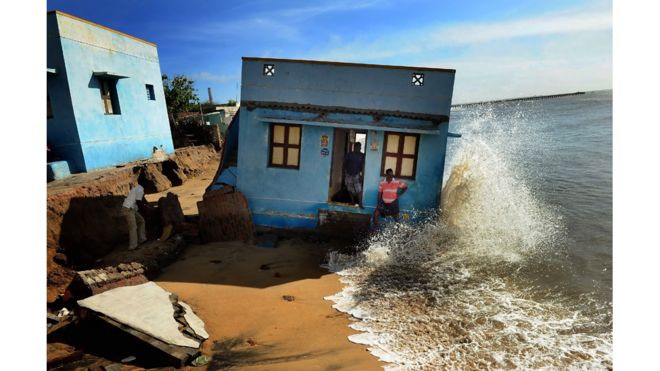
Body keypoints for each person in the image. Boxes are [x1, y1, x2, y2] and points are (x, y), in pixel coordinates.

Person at [121, 183, 147, 250]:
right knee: (133, 227)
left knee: (141, 221)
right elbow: (139, 202)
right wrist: (147, 208)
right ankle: (133, 246)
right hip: (128, 209)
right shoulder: (140, 189)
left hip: (131, 209)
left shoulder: (137, 189)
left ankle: (142, 239)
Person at [343, 142, 365, 208]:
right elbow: (344, 163)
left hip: (357, 174)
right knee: (349, 188)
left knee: (359, 189)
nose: (358, 148)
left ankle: (360, 204)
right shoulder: (349, 154)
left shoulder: (362, 155)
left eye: (359, 147)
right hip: (348, 174)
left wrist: (362, 175)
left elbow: (363, 165)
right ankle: (352, 201)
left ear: (360, 147)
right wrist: (344, 172)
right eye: (356, 147)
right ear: (354, 147)